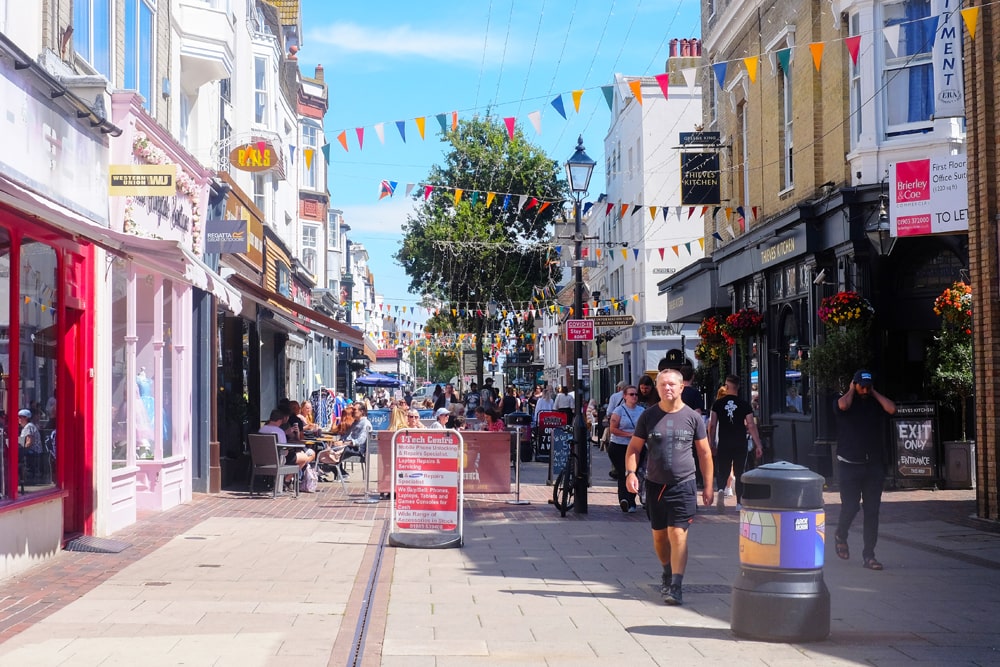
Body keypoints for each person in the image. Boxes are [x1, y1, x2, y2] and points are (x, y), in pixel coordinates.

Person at [625, 368, 714, 606]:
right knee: (659, 537)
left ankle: (675, 584)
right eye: (663, 385)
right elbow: (634, 448)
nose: (667, 388)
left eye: (672, 385)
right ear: (657, 388)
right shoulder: (648, 416)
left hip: (684, 484)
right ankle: (666, 570)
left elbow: (704, 453)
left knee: (678, 534)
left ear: (681, 387)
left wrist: (707, 486)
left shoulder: (693, 418)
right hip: (655, 485)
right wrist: (631, 473)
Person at [834, 369, 896, 571]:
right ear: (854, 384)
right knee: (850, 507)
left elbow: (891, 409)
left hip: (873, 466)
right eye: (862, 385)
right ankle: (841, 534)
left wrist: (874, 392)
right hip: (849, 464)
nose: (865, 389)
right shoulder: (846, 401)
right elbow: (842, 405)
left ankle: (869, 555)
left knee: (872, 512)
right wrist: (852, 389)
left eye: (868, 385)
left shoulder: (874, 402)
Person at [708, 375, 763, 513]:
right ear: (738, 387)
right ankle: (739, 503)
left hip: (724, 442)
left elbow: (712, 425)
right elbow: (750, 424)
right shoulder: (744, 404)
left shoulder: (718, 404)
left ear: (726, 386)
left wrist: (711, 443)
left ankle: (721, 490)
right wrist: (758, 444)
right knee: (739, 472)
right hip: (740, 442)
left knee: (723, 470)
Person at [608, 386, 645, 513]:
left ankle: (631, 499)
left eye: (636, 394)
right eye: (631, 394)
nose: (634, 396)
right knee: (623, 472)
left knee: (633, 472)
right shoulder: (618, 411)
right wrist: (630, 434)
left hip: (636, 447)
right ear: (625, 396)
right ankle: (624, 499)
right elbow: (613, 429)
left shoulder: (642, 411)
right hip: (619, 446)